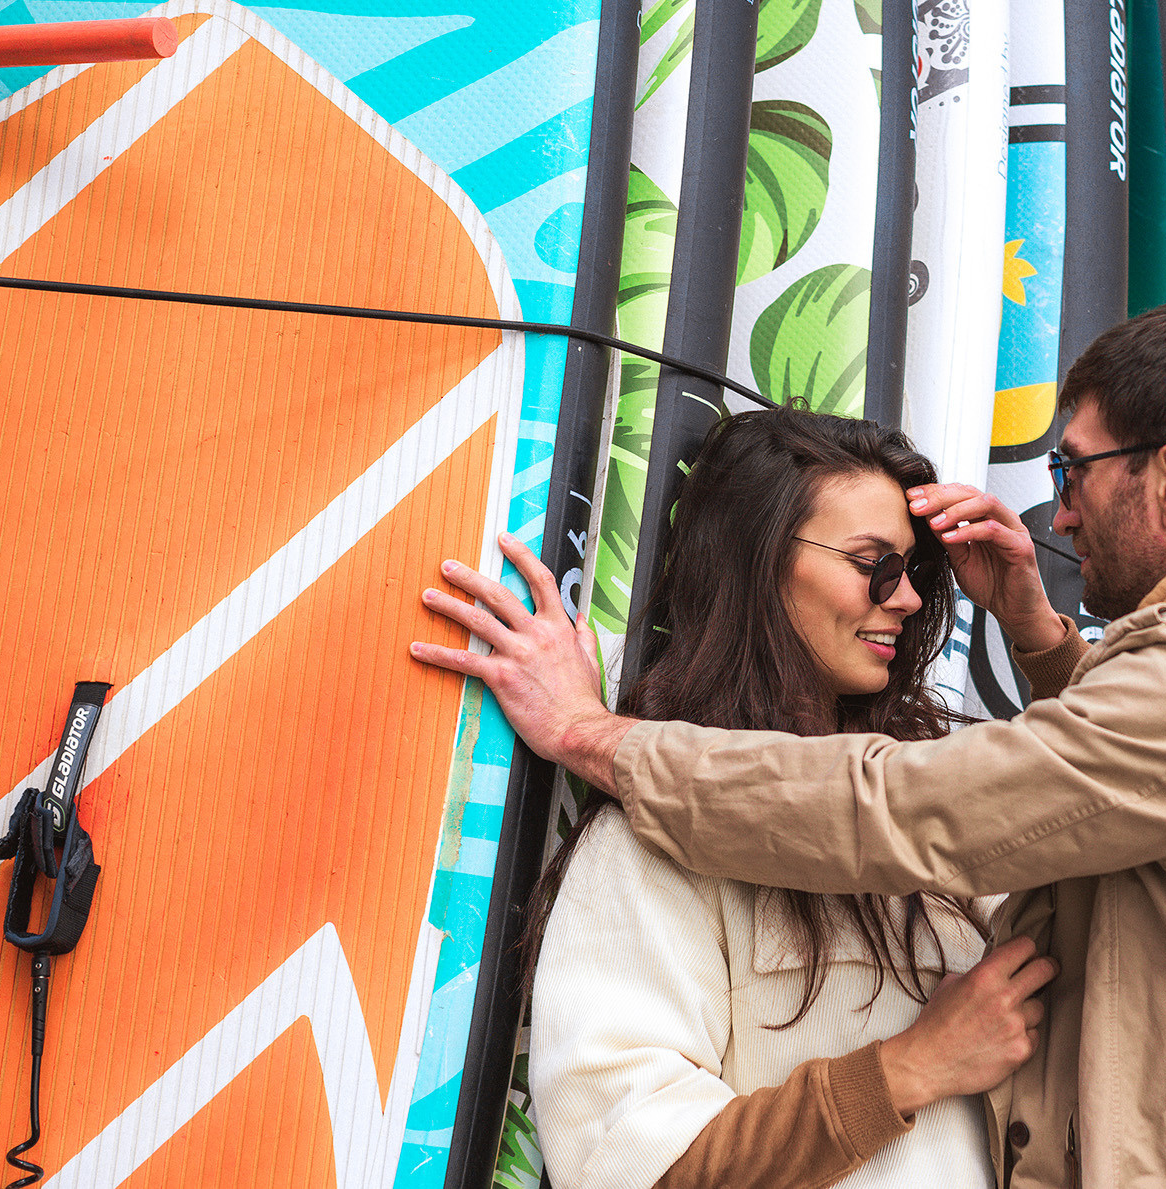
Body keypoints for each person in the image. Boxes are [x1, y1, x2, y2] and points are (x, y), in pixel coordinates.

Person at [415, 301, 1166, 1188]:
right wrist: (1038, 639)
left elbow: (902, 808)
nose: (1055, 514)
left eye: (1070, 470)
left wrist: (591, 733)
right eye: (880, 567)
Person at [430, 410, 1056, 1189]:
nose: (904, 600)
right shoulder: (647, 845)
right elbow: (630, 1165)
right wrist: (904, 1070)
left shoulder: (932, 822)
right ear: (760, 564)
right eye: (874, 564)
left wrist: (1037, 629)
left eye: (914, 573)